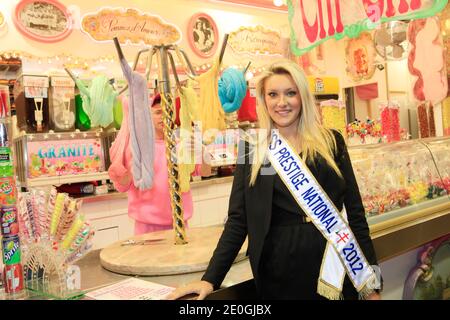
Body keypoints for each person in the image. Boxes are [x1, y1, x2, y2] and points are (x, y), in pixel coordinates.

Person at [168, 60, 381, 300]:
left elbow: (355, 213)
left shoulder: (330, 142)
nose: (282, 102)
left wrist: (372, 284)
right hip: (279, 267)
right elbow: (239, 220)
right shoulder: (256, 149)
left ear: (303, 97)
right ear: (264, 99)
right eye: (273, 94)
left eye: (291, 93)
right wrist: (210, 278)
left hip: (334, 262)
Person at [109, 93, 210, 235]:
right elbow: (121, 186)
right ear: (147, 115)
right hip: (147, 227)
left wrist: (203, 152)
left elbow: (205, 172)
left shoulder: (181, 144)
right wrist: (129, 171)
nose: (163, 116)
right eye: (157, 112)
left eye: (167, 111)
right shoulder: (136, 147)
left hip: (180, 224)